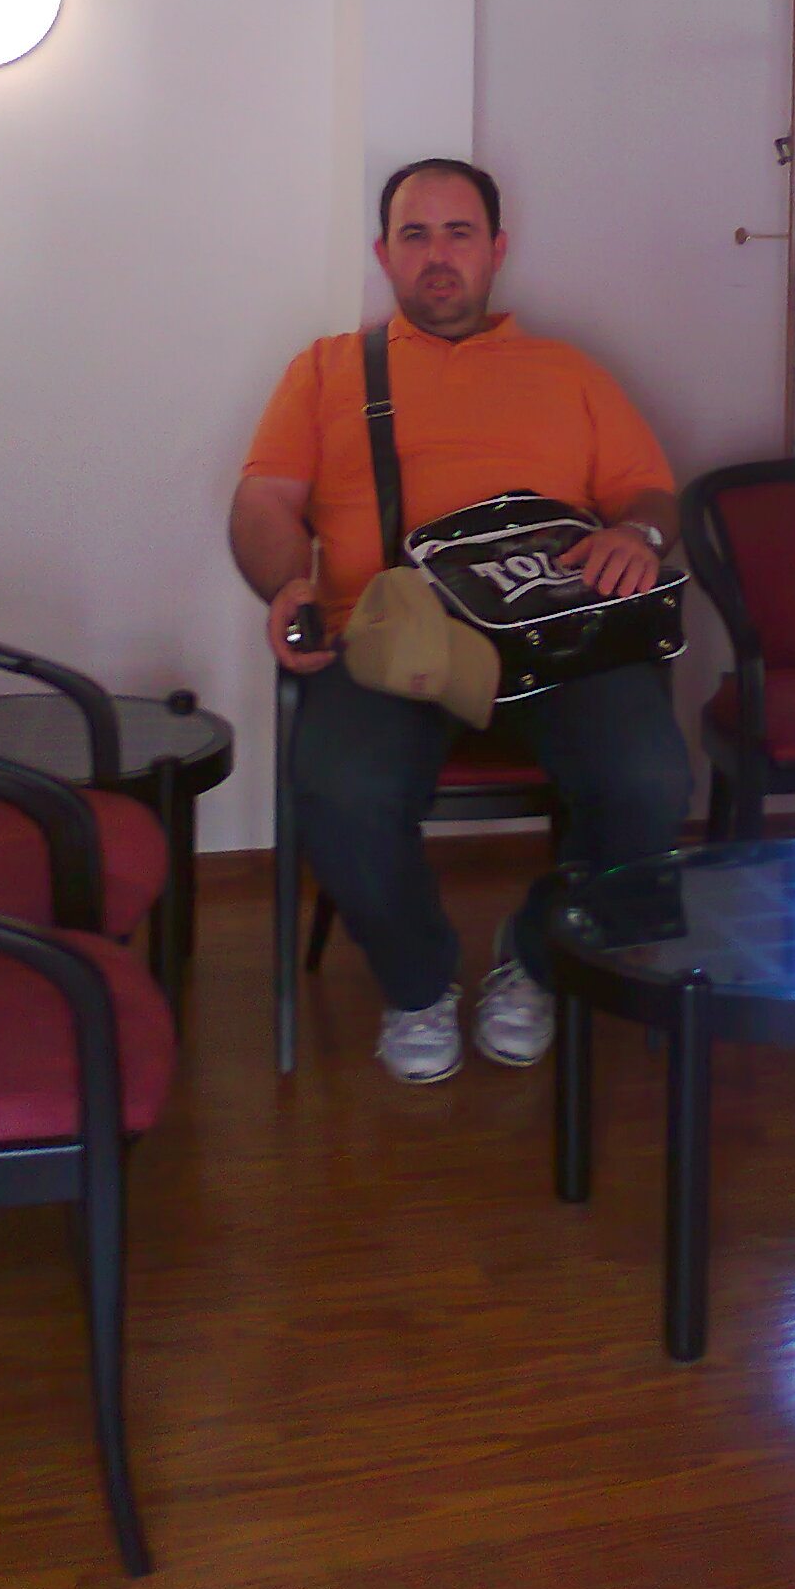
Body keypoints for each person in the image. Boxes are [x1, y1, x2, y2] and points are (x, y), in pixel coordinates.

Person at [230, 156, 691, 1085]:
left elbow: (648, 492)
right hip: (394, 641)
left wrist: (636, 534)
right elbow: (264, 502)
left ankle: (540, 957)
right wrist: (285, 584)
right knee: (341, 789)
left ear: (496, 249)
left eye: (459, 234)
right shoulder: (326, 370)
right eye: (415, 235)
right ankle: (417, 985)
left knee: (650, 780)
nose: (437, 255)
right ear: (384, 254)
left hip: (556, 640)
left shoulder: (570, 371)